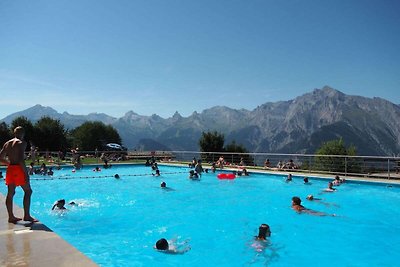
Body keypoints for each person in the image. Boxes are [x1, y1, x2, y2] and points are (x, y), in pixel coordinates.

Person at [0, 126, 37, 223]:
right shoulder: (21, 143)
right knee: (28, 191)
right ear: (23, 134)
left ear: (14, 133)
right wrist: (26, 173)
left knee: (10, 193)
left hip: (10, 169)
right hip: (18, 168)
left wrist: (9, 163)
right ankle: (27, 216)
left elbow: (0, 158)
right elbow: (21, 159)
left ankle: (11, 217)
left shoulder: (7, 143)